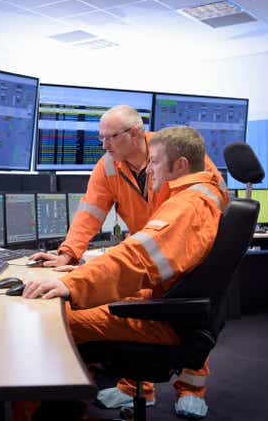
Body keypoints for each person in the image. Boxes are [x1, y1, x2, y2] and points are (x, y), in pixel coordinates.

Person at [29, 106, 227, 418]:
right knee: (103, 294)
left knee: (62, 316)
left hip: (168, 255)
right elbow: (90, 212)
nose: (104, 144)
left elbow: (190, 216)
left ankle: (191, 389)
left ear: (136, 134)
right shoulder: (110, 166)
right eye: (101, 138)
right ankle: (135, 390)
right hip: (152, 253)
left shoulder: (178, 162)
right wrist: (68, 254)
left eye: (111, 137)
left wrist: (73, 283)